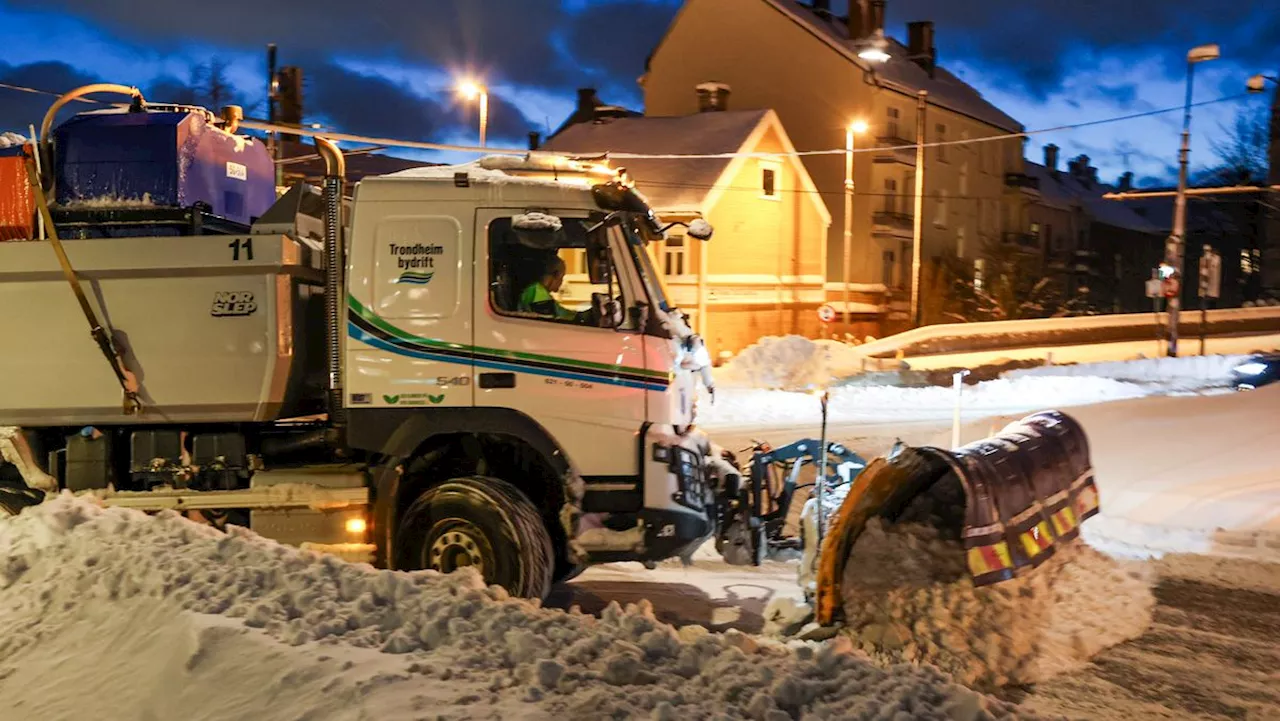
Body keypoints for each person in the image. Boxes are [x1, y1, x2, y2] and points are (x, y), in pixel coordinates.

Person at [518, 255, 589, 323]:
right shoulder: (537, 291)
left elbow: (565, 314)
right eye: (562, 277)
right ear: (556, 274)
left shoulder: (542, 293)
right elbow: (546, 321)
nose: (562, 281)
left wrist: (584, 315)